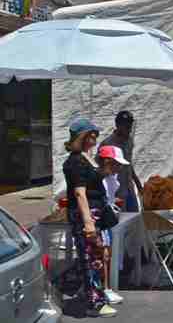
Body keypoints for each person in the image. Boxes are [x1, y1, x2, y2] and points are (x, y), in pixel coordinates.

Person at [63, 118, 117, 318]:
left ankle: (96, 296)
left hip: (96, 213)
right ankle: (93, 303)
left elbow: (92, 183)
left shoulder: (86, 158)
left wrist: (105, 172)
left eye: (95, 132)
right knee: (91, 259)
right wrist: (88, 222)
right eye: (90, 133)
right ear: (81, 137)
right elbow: (79, 193)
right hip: (87, 216)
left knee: (97, 257)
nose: (95, 136)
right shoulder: (75, 161)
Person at [97, 145, 129, 306]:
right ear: (107, 162)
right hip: (100, 220)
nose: (120, 167)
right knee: (103, 255)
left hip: (107, 219)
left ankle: (105, 288)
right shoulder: (100, 179)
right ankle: (104, 290)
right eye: (117, 164)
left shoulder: (111, 178)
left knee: (106, 254)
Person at [100, 111, 141, 212]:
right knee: (120, 220)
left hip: (129, 188)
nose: (129, 129)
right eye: (126, 126)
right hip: (116, 191)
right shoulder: (107, 143)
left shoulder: (129, 141)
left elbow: (129, 163)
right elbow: (101, 169)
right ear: (117, 125)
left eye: (130, 126)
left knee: (133, 216)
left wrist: (137, 183)